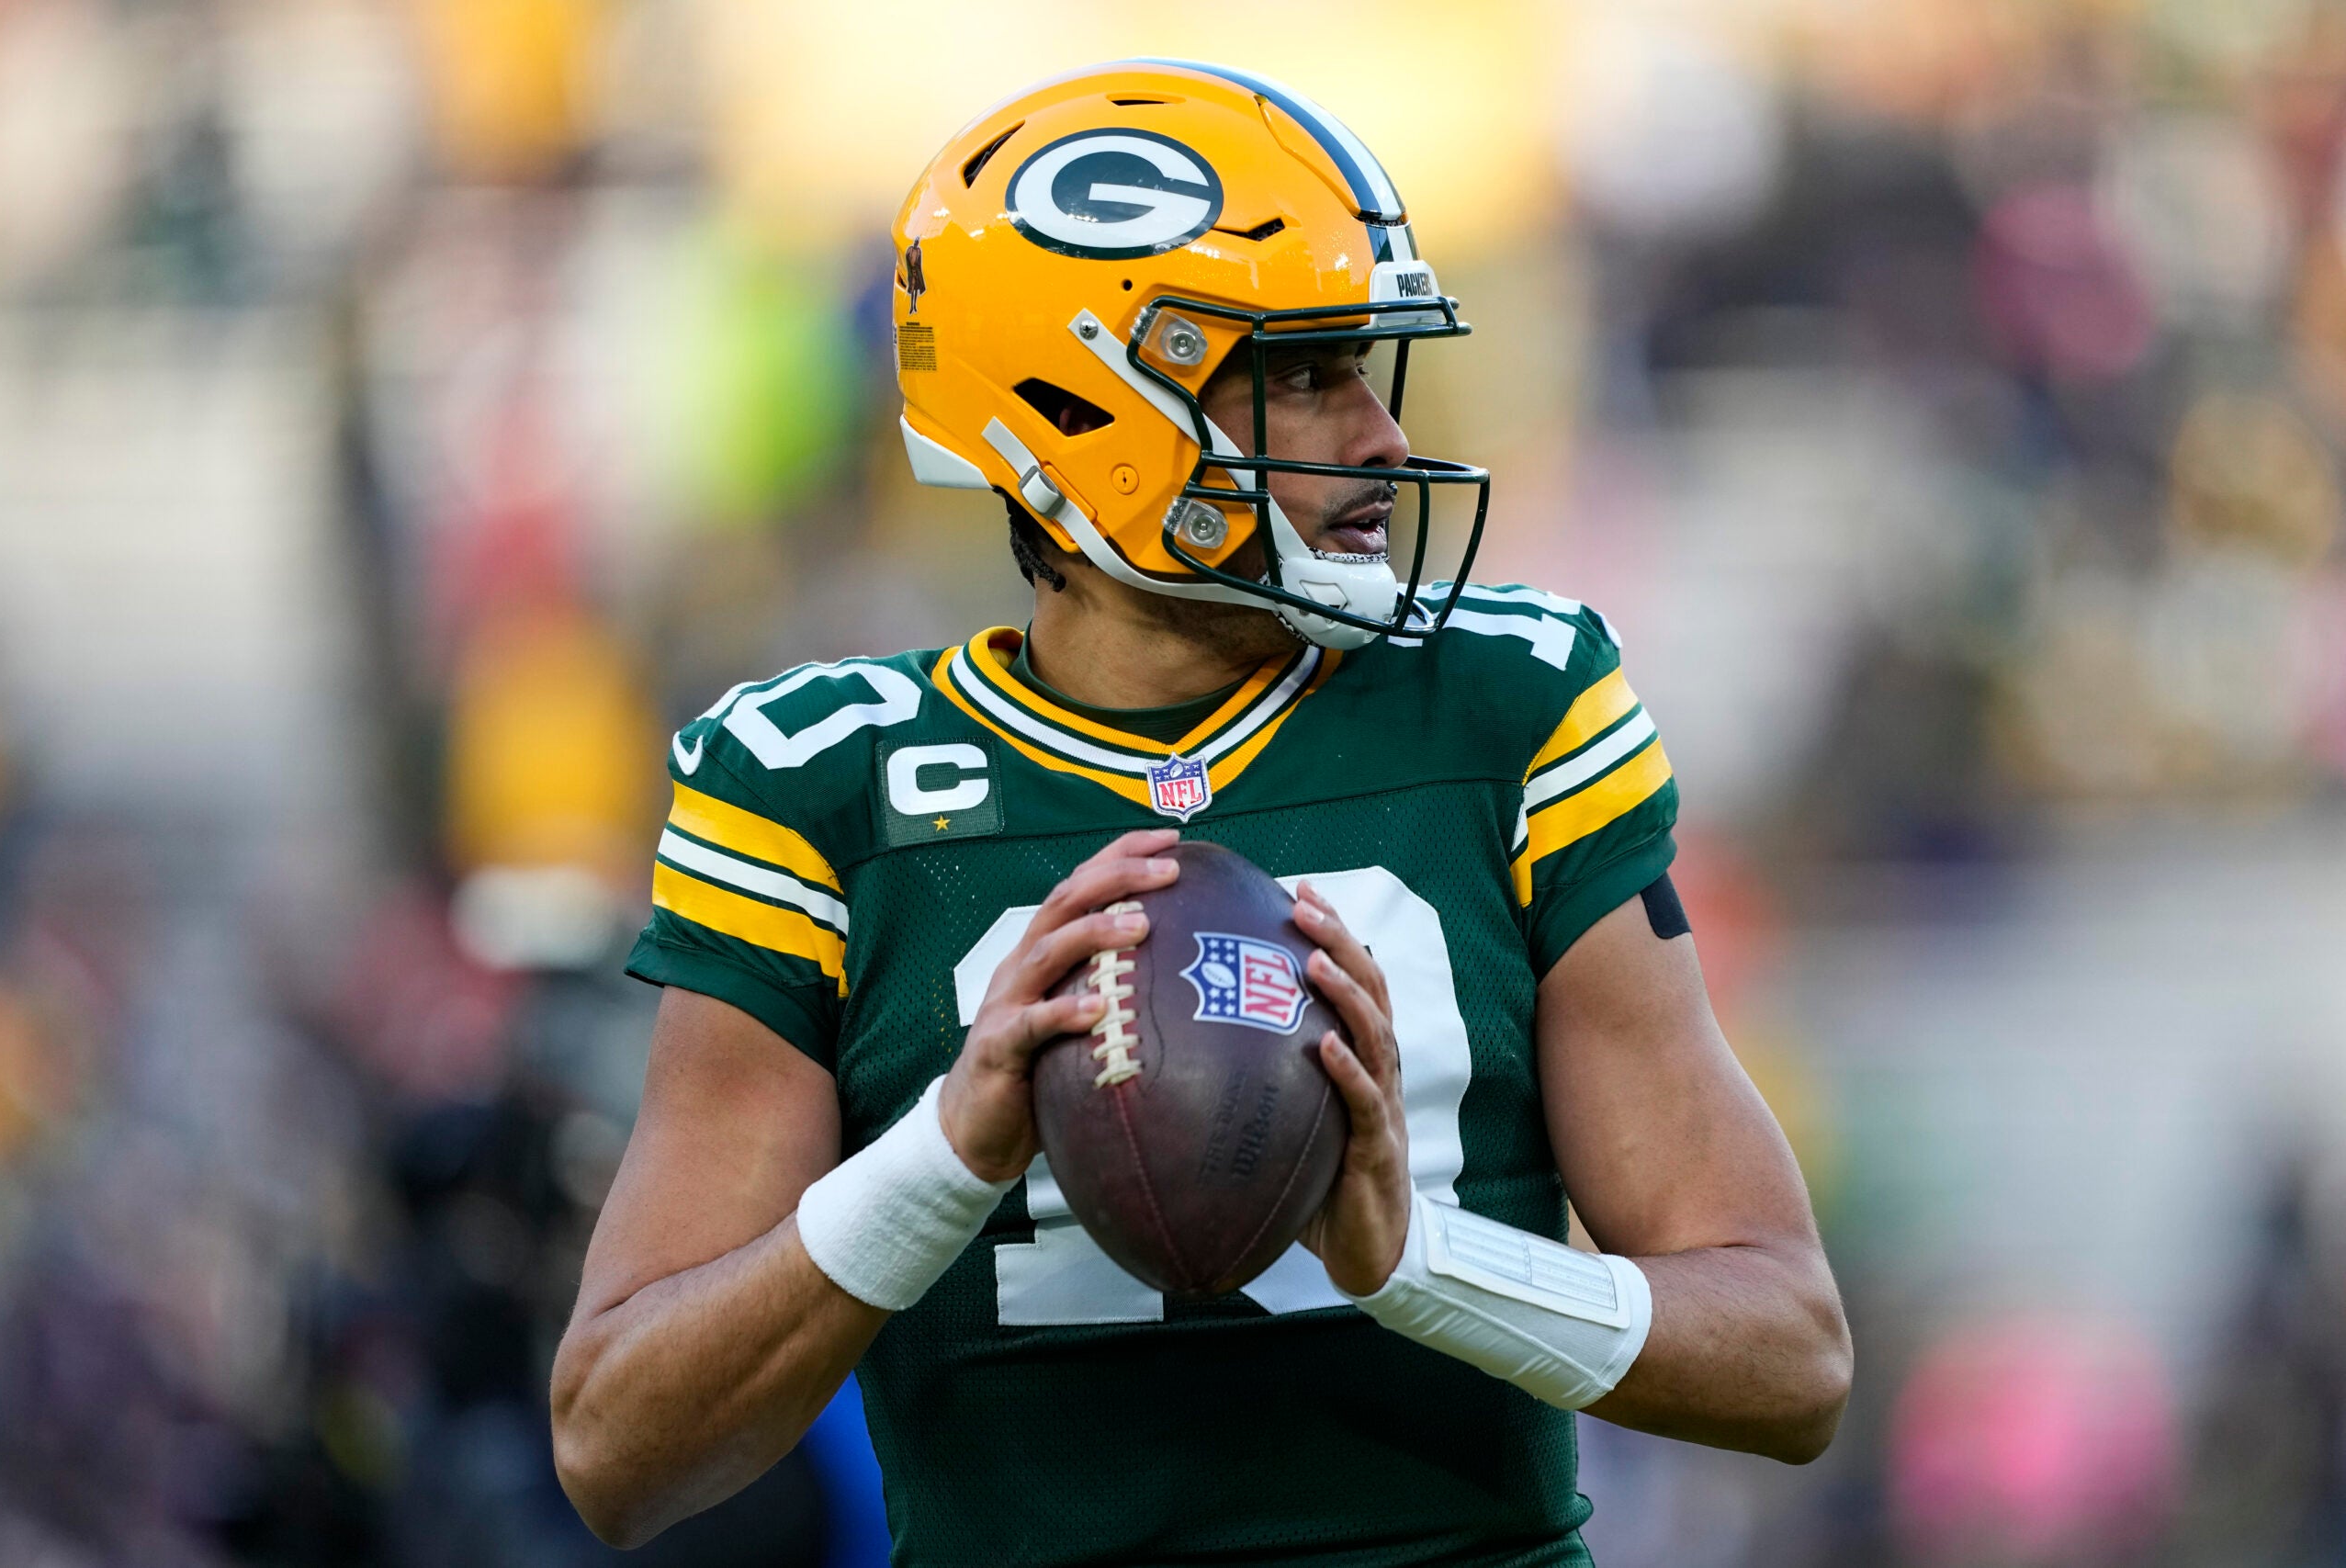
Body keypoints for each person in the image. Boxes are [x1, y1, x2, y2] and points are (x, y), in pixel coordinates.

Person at [550, 60, 1851, 1568]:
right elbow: (616, 1449)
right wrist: (940, 1159)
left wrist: (1419, 1264)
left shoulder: (1505, 706)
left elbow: (1791, 1356)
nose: (1376, 435)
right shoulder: (821, 783)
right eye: (1299, 376)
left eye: (1363, 368)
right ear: (1087, 408)